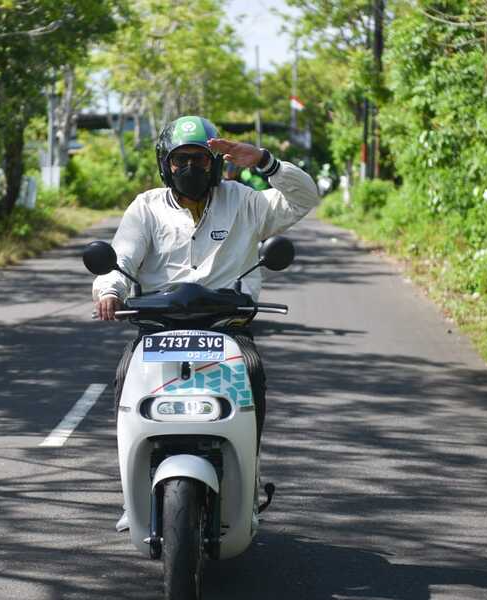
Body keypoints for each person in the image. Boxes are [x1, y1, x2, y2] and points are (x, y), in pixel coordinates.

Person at [91, 115, 318, 530]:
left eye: (199, 158)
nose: (189, 168)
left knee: (252, 374)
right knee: (125, 378)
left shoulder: (247, 201)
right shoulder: (146, 207)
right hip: (160, 330)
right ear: (165, 164)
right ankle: (134, 494)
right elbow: (120, 259)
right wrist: (109, 291)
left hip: (225, 327)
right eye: (180, 160)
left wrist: (265, 162)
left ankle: (248, 482)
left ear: (214, 163)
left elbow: (305, 198)